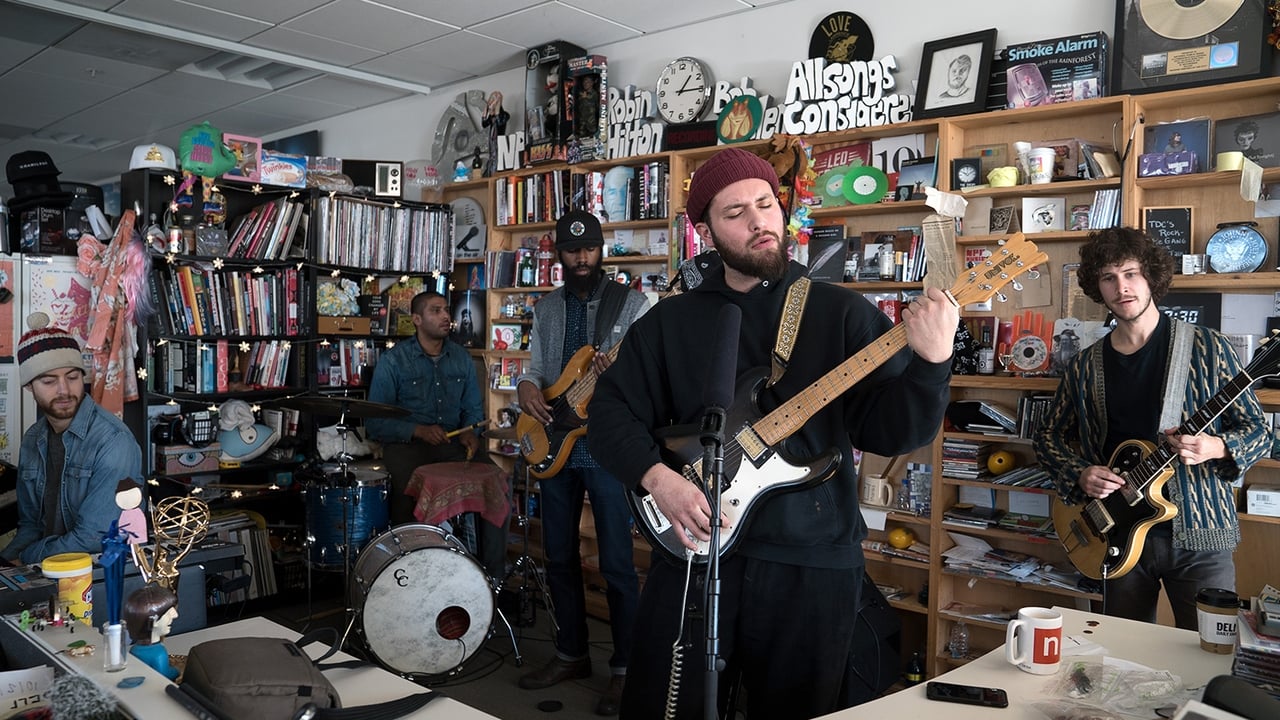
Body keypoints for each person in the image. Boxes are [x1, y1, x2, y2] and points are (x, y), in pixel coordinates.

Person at [586, 148, 959, 718]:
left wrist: (933, 362)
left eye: (765, 204)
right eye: (735, 212)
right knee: (664, 706)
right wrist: (658, 478)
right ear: (705, 229)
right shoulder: (670, 321)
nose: (759, 220)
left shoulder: (842, 312)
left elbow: (893, 431)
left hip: (811, 562)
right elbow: (610, 413)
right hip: (692, 549)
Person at [1033, 226, 1269, 630]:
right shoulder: (1084, 365)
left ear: (1151, 277)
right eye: (1109, 277)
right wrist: (1080, 474)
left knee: (1211, 657)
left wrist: (1217, 447)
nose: (1121, 287)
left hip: (1199, 534)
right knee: (1120, 660)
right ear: (1097, 286)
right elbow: (1047, 437)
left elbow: (1260, 432)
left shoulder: (1207, 348)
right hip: (1113, 536)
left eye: (1130, 273)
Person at [514, 210, 650, 716]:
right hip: (555, 445)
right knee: (559, 558)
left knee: (617, 564)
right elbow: (537, 369)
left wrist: (616, 373)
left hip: (608, 446)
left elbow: (646, 371)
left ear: (601, 251)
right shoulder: (546, 307)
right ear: (559, 256)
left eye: (589, 249)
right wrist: (527, 386)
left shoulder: (632, 305)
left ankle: (625, 670)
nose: (581, 258)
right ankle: (570, 654)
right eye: (572, 251)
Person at [365, 291, 505, 579]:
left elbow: (472, 410)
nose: (446, 317)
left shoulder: (461, 358)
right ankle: (413, 575)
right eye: (436, 310)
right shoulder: (394, 361)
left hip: (453, 444)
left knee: (497, 486)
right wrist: (417, 430)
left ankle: (491, 580)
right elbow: (375, 423)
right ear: (416, 319)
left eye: (446, 310)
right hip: (408, 446)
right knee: (408, 494)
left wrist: (470, 432)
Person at [1, 313, 143, 566]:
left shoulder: (113, 441)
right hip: (48, 570)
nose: (64, 390)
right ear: (29, 386)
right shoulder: (33, 440)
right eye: (49, 381)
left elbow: (94, 538)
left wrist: (27, 558)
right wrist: (8, 563)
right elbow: (31, 525)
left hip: (100, 575)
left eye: (73, 377)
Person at [124, 583, 180, 679]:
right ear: (153, 621)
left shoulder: (134, 650)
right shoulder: (159, 653)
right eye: (168, 613)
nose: (175, 615)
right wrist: (176, 671)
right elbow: (163, 676)